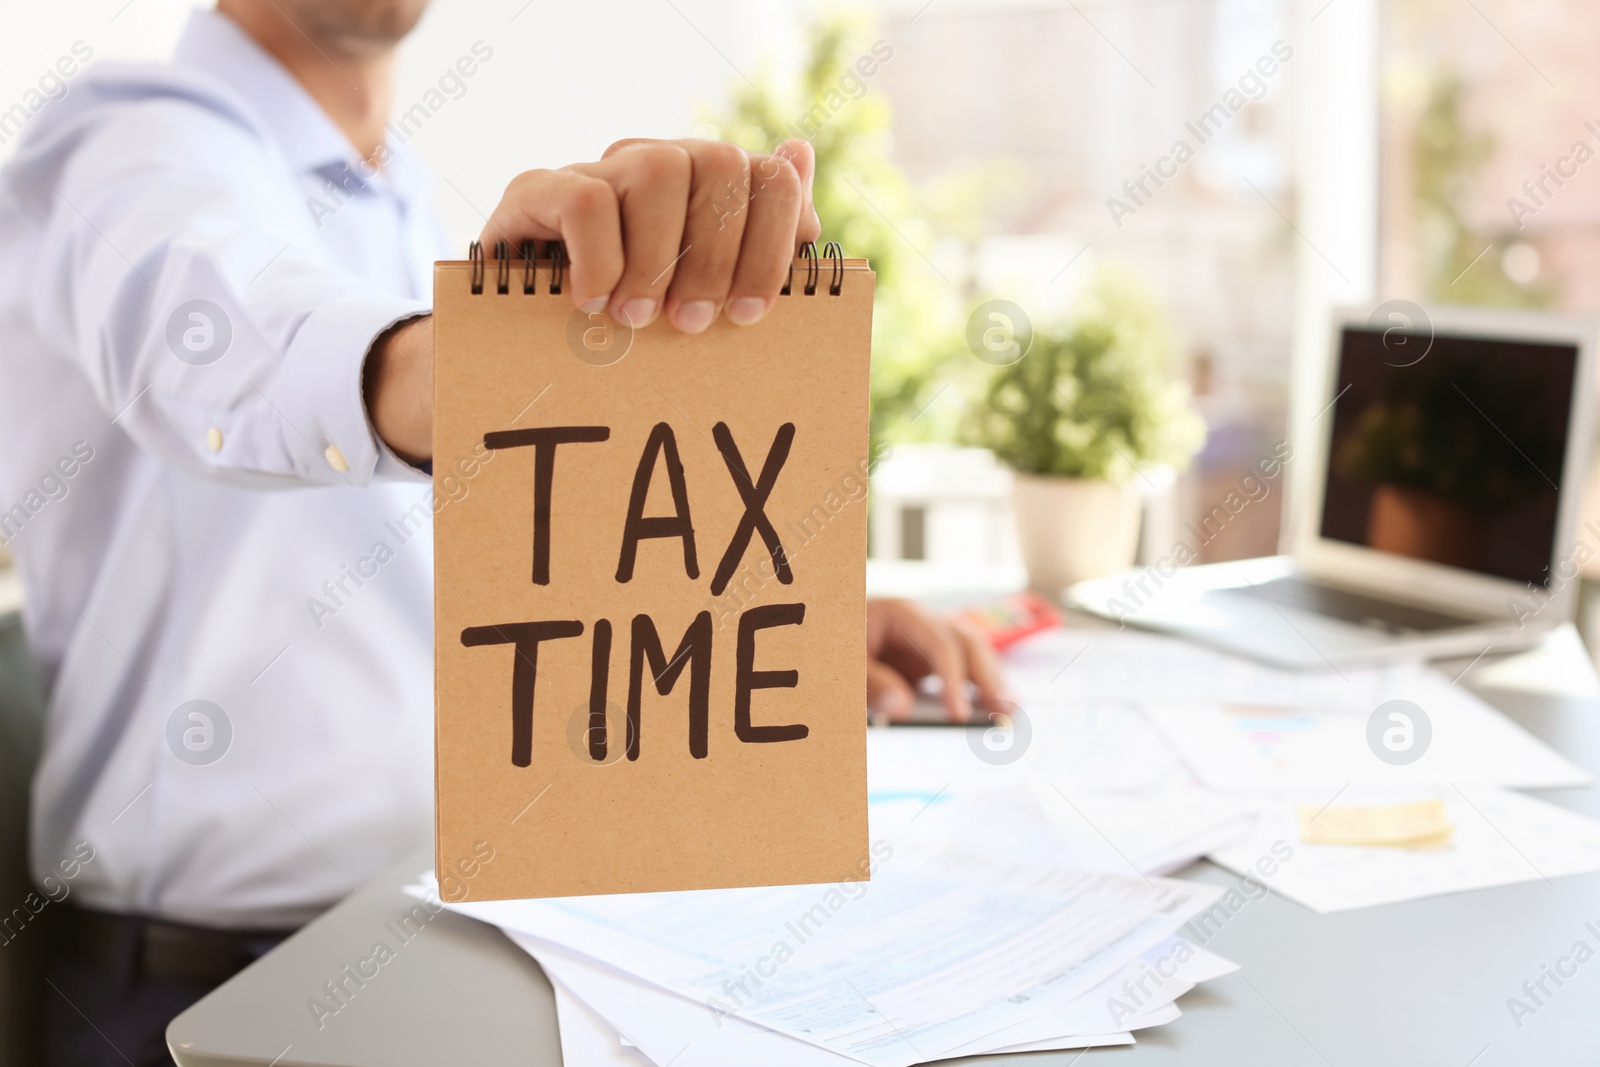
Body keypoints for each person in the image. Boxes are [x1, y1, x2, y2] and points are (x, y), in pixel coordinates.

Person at [0, 1, 1007, 1062]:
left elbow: (493, 596)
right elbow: (220, 330)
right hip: (210, 1003)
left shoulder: (411, 209)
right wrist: (479, 364)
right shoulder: (123, 135)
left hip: (466, 948)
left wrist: (763, 620)